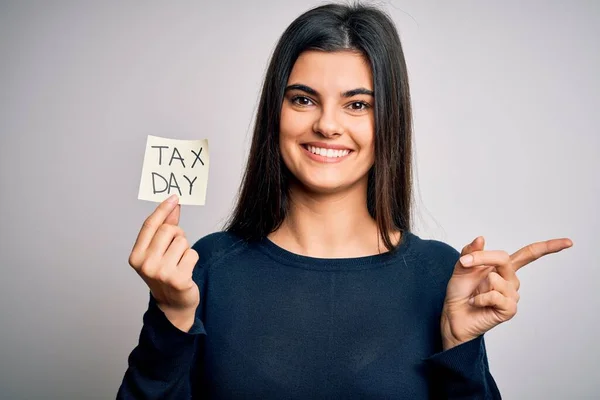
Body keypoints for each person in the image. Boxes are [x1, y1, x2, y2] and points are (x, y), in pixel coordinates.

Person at [117, 3, 572, 399]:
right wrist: (172, 316)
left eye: (357, 105)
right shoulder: (206, 267)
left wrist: (460, 346)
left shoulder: (442, 276)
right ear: (274, 114)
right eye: (303, 100)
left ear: (389, 120)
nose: (327, 126)